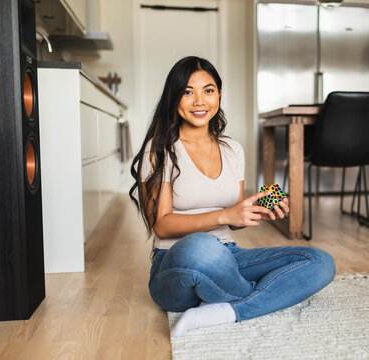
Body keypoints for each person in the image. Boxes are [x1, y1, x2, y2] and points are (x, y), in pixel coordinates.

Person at [129, 56, 335, 336]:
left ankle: (227, 310)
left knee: (320, 261)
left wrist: (255, 208)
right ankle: (261, 295)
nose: (199, 101)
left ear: (219, 95)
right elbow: (162, 224)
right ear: (174, 98)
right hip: (175, 263)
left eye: (208, 90)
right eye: (188, 92)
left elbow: (235, 219)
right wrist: (226, 215)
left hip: (229, 256)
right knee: (202, 246)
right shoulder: (160, 149)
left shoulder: (232, 149)